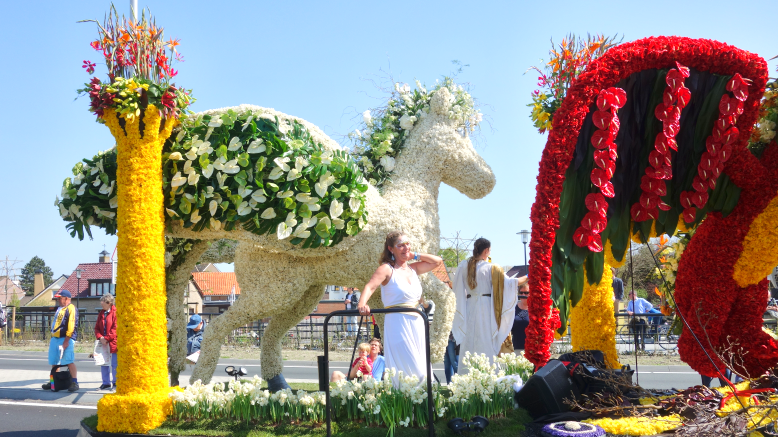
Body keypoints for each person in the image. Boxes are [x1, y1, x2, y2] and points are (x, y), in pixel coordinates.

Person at [357, 231, 443, 382]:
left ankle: (424, 399)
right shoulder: (386, 269)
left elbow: (437, 261)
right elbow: (370, 287)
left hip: (417, 322)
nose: (405, 248)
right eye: (401, 245)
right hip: (398, 321)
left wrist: (414, 255)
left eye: (407, 244)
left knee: (421, 362)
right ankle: (405, 397)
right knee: (407, 362)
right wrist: (362, 304)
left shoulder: (413, 269)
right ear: (391, 249)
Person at [452, 238, 521, 367]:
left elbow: (456, 289)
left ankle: (467, 373)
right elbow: (511, 283)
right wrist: (529, 276)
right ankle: (489, 373)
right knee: (486, 338)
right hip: (486, 307)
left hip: (469, 306)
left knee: (469, 340)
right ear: (486, 251)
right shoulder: (491, 268)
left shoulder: (463, 265)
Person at [42, 290, 79, 392]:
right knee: (54, 361)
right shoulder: (59, 308)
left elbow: (72, 326)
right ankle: (53, 382)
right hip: (55, 338)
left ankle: (74, 382)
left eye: (60, 298)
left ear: (66, 298)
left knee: (69, 360)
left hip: (66, 338)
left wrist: (67, 340)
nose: (58, 300)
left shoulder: (71, 308)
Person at [94, 294, 117, 390]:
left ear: (109, 303)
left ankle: (115, 383)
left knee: (114, 364)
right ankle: (106, 383)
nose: (101, 303)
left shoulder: (115, 313)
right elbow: (97, 328)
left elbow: (115, 328)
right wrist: (100, 338)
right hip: (103, 342)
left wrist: (107, 338)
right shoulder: (101, 313)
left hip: (112, 342)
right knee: (103, 362)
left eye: (103, 301)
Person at [511, 277, 531, 351]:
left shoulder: (535, 309)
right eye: (521, 292)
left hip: (532, 349)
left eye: (526, 293)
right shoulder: (513, 308)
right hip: (516, 348)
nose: (523, 295)